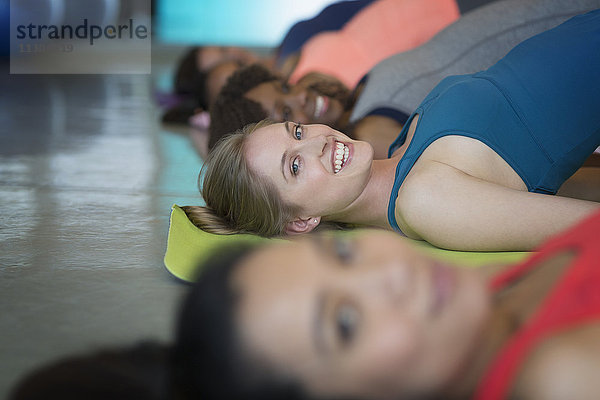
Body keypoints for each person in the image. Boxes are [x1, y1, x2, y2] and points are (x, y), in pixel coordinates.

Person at [184, 10, 600, 251]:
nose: (315, 141)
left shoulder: (400, 152)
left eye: (296, 133)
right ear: (301, 221)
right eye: (294, 166)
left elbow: (563, 180)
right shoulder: (424, 202)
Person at [174, 209, 600, 400]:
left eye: (342, 254)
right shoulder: (562, 379)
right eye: (345, 322)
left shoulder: (489, 292)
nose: (389, 273)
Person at [209, 0, 600, 159]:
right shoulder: (371, 114)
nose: (302, 99)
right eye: (289, 121)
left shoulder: (369, 109)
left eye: (285, 88)